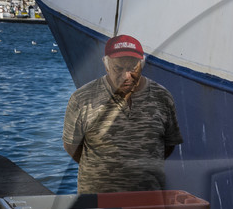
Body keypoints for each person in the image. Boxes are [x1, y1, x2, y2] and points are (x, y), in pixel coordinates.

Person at [62, 35, 182, 193]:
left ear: (141, 65)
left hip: (149, 200)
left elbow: (168, 145)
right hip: (96, 202)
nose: (127, 76)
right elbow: (71, 146)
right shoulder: (82, 99)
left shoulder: (162, 96)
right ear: (106, 65)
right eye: (118, 68)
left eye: (132, 68)